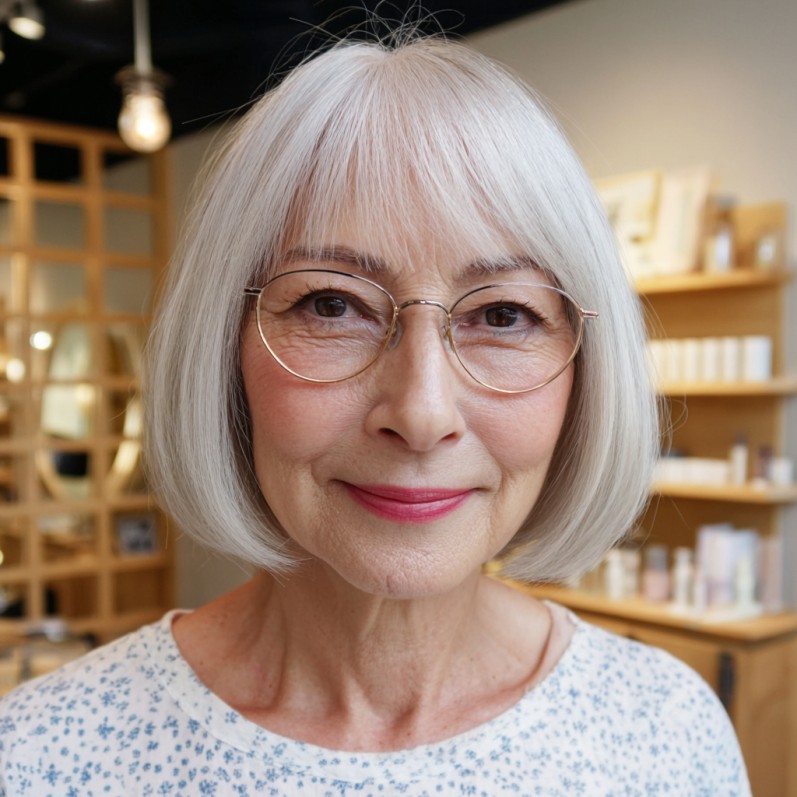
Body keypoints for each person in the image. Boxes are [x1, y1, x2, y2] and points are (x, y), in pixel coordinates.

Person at [0, 31, 749, 796]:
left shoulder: (665, 735)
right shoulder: (44, 757)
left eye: (501, 316)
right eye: (331, 305)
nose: (421, 413)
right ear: (223, 349)